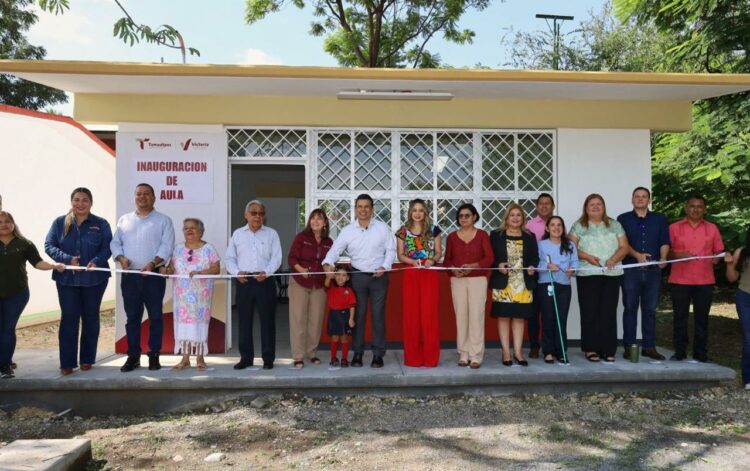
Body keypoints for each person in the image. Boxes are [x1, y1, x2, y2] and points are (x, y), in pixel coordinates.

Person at [323, 194, 396, 368]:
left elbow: (391, 250)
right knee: (358, 316)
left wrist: (384, 266)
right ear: (355, 209)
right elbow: (335, 250)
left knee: (378, 316)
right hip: (357, 278)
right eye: (360, 206)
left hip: (379, 277)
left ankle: (378, 354)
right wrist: (327, 263)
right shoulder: (348, 230)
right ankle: (357, 353)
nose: (363, 210)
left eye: (367, 206)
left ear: (372, 209)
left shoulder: (382, 228)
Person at [44, 188, 112, 375]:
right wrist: (67, 259)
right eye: (76, 200)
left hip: (95, 279)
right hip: (67, 280)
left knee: (91, 318)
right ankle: (67, 363)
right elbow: (49, 245)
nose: (80, 204)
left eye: (84, 200)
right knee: (69, 318)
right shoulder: (59, 223)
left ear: (91, 203)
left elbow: (108, 247)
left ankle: (87, 359)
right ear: (71, 202)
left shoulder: (101, 224)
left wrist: (96, 261)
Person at [110, 183, 175, 372]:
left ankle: (154, 355)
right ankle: (133, 356)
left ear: (154, 198)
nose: (142, 197)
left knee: (155, 317)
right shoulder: (124, 220)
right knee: (132, 318)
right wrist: (121, 258)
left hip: (153, 276)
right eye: (139, 194)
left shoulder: (163, 220)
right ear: (134, 197)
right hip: (130, 276)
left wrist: (153, 263)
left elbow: (167, 246)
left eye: (146, 194)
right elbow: (115, 243)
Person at [0, 211, 65, 379]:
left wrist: (53, 266)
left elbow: (37, 262)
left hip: (17, 294)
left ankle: (5, 366)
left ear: (13, 223)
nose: (4, 224)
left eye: (7, 221)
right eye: (0, 222)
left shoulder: (25, 244)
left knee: (7, 328)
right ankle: (5, 359)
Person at [569, 194, 629, 363]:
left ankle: (608, 349)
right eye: (592, 204)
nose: (595, 207)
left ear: (603, 207)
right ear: (586, 208)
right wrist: (587, 257)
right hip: (587, 274)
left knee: (608, 312)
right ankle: (590, 348)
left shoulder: (615, 225)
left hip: (611, 274)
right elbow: (570, 247)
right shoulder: (579, 226)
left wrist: (613, 259)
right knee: (589, 312)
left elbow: (624, 247)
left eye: (599, 204)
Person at [226, 200, 282, 370]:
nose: (258, 216)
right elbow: (229, 259)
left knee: (268, 321)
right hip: (244, 281)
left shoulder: (272, 234)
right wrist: (237, 273)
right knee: (244, 321)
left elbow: (277, 258)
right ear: (246, 215)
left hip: (265, 280)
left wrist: (267, 272)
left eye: (261, 213)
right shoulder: (237, 234)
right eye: (254, 213)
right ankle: (246, 358)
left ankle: (268, 358)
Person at [617, 187, 670, 361]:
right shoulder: (623, 219)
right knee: (630, 309)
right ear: (632, 200)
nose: (640, 199)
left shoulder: (660, 219)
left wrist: (663, 258)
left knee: (650, 310)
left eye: (644, 196)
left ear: (649, 200)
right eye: (637, 196)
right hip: (631, 271)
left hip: (653, 272)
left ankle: (649, 347)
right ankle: (629, 347)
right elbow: (622, 244)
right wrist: (637, 256)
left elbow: (664, 241)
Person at [668, 195, 724, 362]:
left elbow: (719, 251)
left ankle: (700, 353)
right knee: (680, 317)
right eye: (692, 206)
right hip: (680, 280)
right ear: (686, 208)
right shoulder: (674, 227)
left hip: (704, 280)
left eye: (700, 206)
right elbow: (665, 252)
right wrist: (678, 254)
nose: (696, 209)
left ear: (704, 210)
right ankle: (679, 351)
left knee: (702, 319)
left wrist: (717, 258)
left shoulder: (712, 228)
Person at [161, 218, 220, 371]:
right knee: (183, 326)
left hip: (201, 297)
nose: (189, 230)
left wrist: (202, 272)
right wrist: (166, 270)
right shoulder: (178, 248)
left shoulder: (209, 249)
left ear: (201, 231)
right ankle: (185, 359)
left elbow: (216, 269)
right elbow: (172, 267)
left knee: (199, 325)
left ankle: (200, 359)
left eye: (193, 228)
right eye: (186, 228)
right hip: (181, 297)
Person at [443, 203, 493, 369]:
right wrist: (453, 270)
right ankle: (463, 353)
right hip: (457, 281)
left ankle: (476, 355)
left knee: (476, 317)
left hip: (478, 279)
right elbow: (447, 260)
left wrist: (474, 266)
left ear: (474, 217)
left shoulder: (482, 235)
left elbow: (489, 258)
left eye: (467, 215)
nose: (463, 218)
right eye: (461, 216)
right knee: (461, 317)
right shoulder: (451, 237)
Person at [490, 203, 539, 367]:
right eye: (512, 215)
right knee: (503, 317)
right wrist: (498, 264)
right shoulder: (496, 235)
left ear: (523, 218)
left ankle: (518, 352)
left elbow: (535, 257)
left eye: (519, 215)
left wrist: (532, 266)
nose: (515, 218)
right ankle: (506, 352)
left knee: (519, 318)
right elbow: (490, 257)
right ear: (506, 218)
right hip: (503, 283)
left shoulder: (530, 236)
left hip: (523, 284)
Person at [396, 199, 442, 368]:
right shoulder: (402, 231)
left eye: (421, 210)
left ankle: (430, 358)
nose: (417, 213)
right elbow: (400, 255)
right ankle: (413, 358)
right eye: (414, 210)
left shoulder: (434, 230)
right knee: (412, 315)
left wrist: (432, 260)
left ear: (425, 212)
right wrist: (412, 262)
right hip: (411, 272)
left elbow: (438, 252)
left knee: (429, 315)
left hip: (429, 273)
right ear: (410, 212)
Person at [287, 209, 333, 368]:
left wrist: (329, 269)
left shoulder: (329, 242)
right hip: (300, 282)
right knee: (298, 319)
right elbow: (291, 258)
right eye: (313, 218)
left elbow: (329, 261)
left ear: (325, 223)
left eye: (319, 219)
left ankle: (312, 353)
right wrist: (301, 270)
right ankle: (298, 356)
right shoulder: (301, 237)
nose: (315, 221)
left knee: (316, 320)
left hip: (319, 285)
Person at [536, 216, 579, 364]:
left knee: (561, 319)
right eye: (553, 225)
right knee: (548, 318)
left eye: (559, 225)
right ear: (547, 228)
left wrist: (572, 270)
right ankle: (548, 351)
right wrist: (547, 266)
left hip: (564, 286)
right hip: (546, 284)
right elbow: (536, 264)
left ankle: (561, 351)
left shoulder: (570, 245)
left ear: (563, 228)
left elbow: (575, 263)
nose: (556, 228)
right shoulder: (541, 244)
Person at [526, 193, 555, 358]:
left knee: (548, 312)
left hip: (550, 274)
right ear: (537, 207)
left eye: (547, 203)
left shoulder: (556, 223)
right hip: (533, 273)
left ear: (553, 206)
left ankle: (548, 346)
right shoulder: (529, 224)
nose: (544, 206)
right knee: (533, 312)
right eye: (541, 203)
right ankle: (534, 345)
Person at [724, 226, 750, 390]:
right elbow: (732, 278)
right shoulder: (742, 252)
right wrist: (729, 264)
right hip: (745, 297)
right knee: (749, 339)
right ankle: (748, 378)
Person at [324, 265, 357, 367]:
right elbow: (326, 284)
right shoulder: (331, 287)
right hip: (334, 315)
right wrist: (329, 275)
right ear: (334, 275)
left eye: (343, 275)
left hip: (345, 316)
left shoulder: (349, 290)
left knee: (344, 338)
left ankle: (344, 359)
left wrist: (351, 319)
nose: (340, 277)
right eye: (338, 274)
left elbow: (352, 305)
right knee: (334, 337)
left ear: (348, 278)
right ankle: (333, 358)